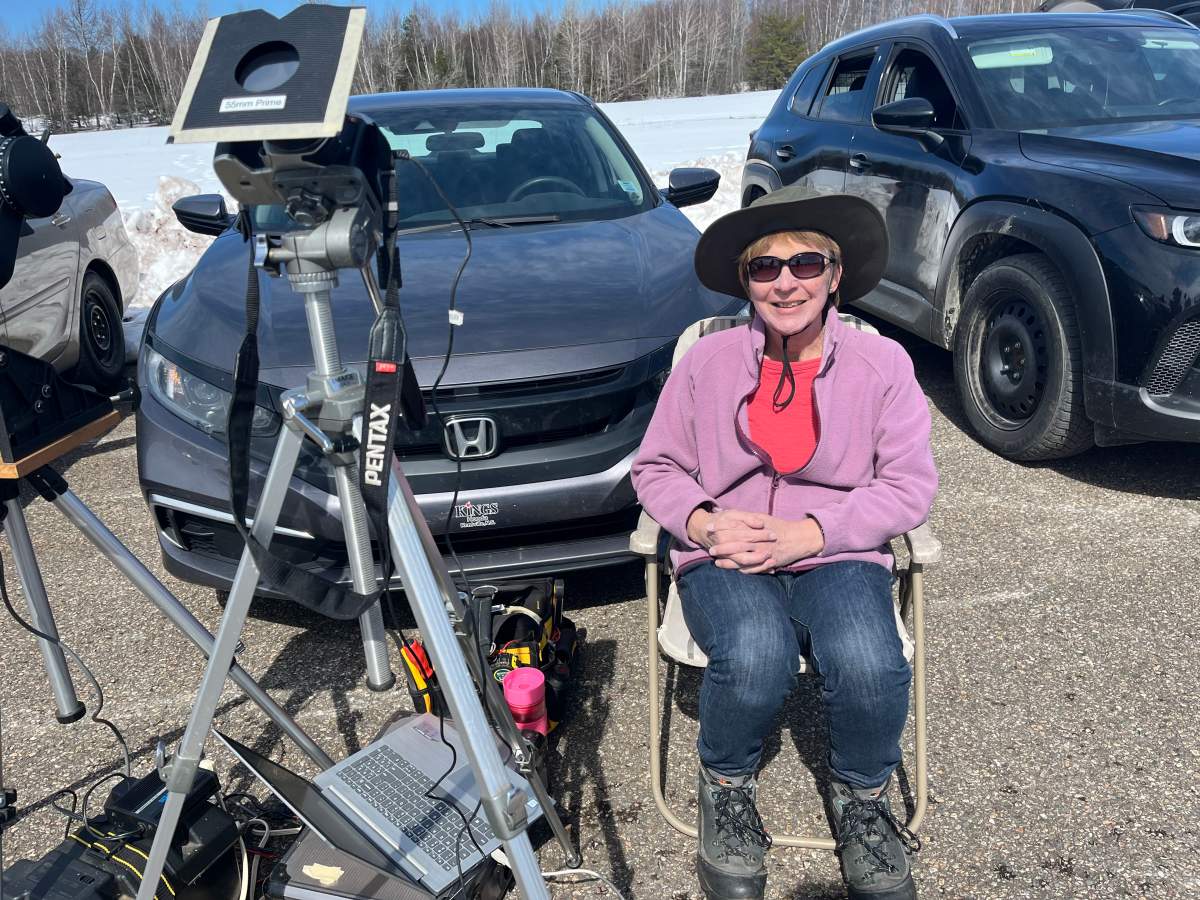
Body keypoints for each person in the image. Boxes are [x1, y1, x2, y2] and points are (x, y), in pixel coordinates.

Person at [632, 189, 937, 900]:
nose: (785, 282)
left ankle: (862, 801)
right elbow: (656, 468)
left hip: (837, 550)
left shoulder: (882, 364)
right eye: (764, 268)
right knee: (758, 656)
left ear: (836, 275)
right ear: (745, 283)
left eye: (806, 262)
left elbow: (909, 486)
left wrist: (815, 532)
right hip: (725, 551)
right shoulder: (704, 364)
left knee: (869, 663)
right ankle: (727, 786)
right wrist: (705, 523)